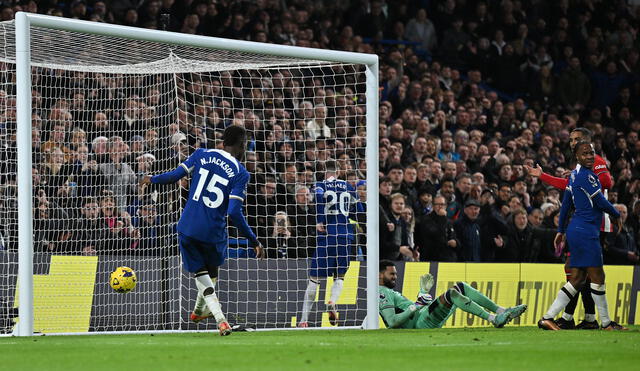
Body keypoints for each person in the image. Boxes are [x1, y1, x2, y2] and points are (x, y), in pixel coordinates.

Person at [140, 125, 264, 336]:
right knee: (211, 269)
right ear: (242, 146)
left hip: (187, 226)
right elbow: (234, 212)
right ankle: (220, 318)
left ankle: (199, 312)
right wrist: (253, 240)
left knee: (202, 272)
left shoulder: (201, 153)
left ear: (222, 141)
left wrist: (151, 179)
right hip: (213, 231)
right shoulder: (241, 173)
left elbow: (174, 176)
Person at [526, 128, 611, 329]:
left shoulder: (594, 161)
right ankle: (587, 318)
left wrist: (580, 176)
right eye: (571, 140)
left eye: (578, 139)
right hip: (583, 224)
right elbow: (568, 189)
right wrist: (546, 176)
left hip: (590, 224)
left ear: (588, 142)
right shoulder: (581, 167)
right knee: (583, 274)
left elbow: (607, 182)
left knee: (579, 273)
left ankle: (566, 317)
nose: (573, 142)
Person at [538, 141, 626, 331]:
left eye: (592, 153)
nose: (589, 156)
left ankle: (547, 318)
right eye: (585, 153)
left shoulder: (575, 176)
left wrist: (561, 230)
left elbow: (566, 206)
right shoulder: (588, 176)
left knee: (577, 278)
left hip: (575, 231)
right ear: (576, 156)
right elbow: (601, 201)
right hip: (586, 232)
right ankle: (606, 323)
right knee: (598, 276)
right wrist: (617, 215)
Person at [378, 260, 527, 329]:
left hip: (424, 317)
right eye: (391, 274)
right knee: (452, 294)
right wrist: (416, 305)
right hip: (421, 324)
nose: (395, 277)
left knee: (462, 287)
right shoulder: (381, 292)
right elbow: (392, 322)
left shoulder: (389, 291)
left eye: (396, 274)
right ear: (379, 275)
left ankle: (500, 311)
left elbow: (412, 309)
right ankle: (494, 319)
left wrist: (422, 294)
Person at [299, 161, 357, 328]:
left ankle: (304, 320)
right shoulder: (348, 186)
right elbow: (358, 208)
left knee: (314, 279)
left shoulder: (320, 185)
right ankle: (332, 301)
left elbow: (317, 197)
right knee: (339, 276)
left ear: (325, 173)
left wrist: (319, 220)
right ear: (338, 172)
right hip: (346, 236)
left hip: (327, 235)